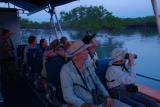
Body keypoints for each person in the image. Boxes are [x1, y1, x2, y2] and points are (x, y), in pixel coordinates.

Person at [60, 40, 130, 107]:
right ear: (76, 55)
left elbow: (97, 81)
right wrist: (84, 105)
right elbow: (68, 96)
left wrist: (107, 96)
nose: (87, 51)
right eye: (84, 50)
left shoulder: (87, 63)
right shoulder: (66, 71)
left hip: (97, 99)